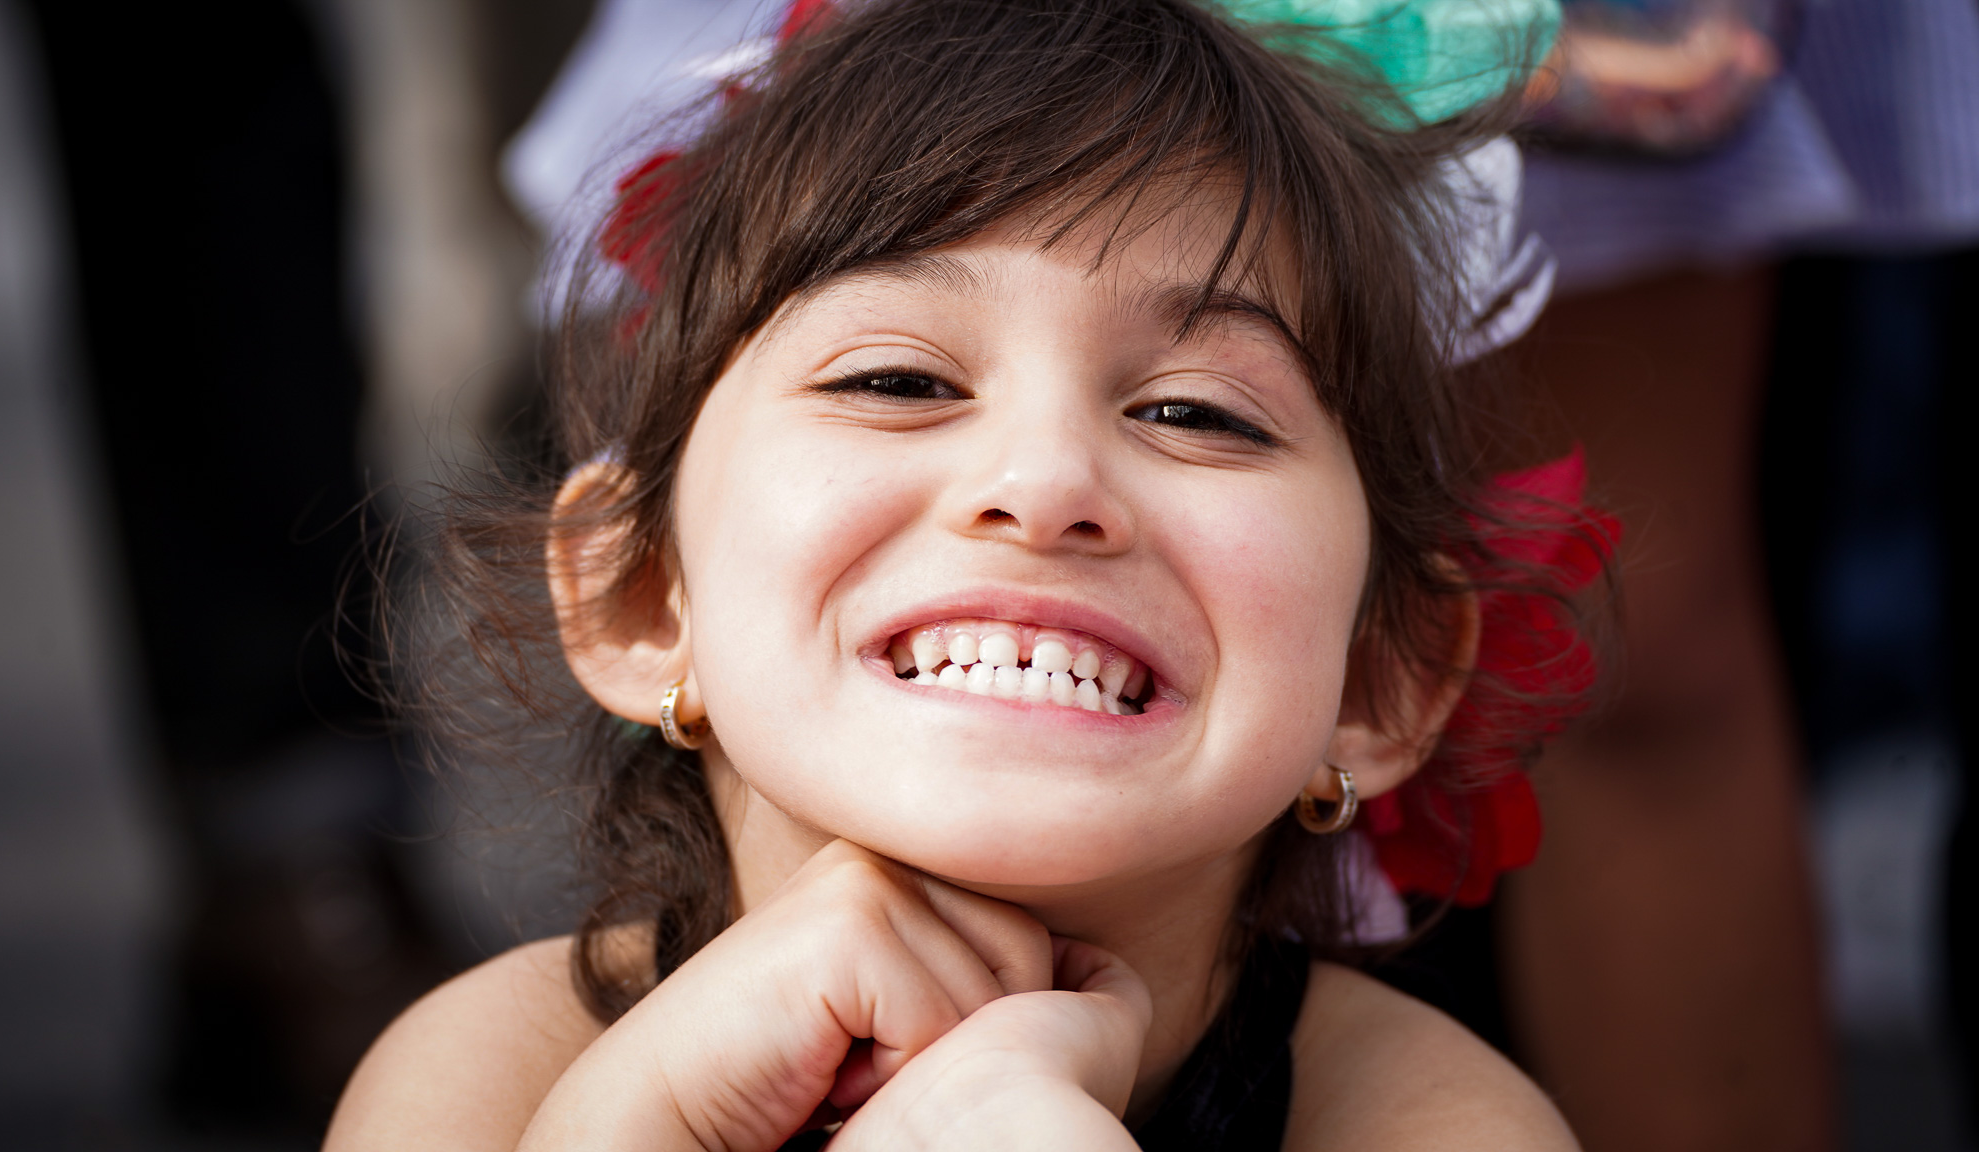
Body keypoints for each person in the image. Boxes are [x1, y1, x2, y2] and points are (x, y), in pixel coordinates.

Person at [323, 1, 1611, 1147]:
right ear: (645, 596)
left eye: (1200, 413)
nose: (1048, 484)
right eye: (898, 380)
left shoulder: (1433, 1124)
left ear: (1379, 677)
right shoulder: (495, 1080)